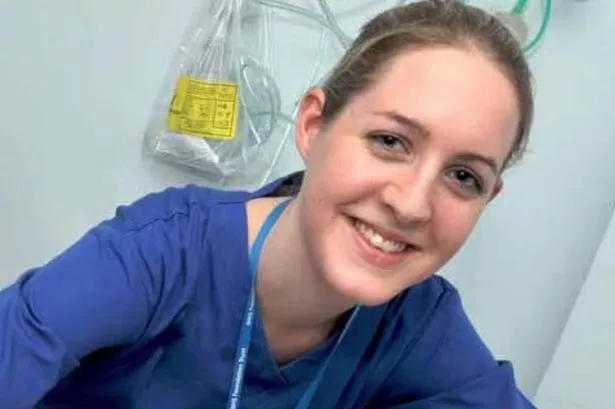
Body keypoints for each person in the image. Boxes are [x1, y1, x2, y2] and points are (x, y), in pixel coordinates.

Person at [0, 1, 538, 408]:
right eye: (390, 141)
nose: (412, 204)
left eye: (463, 176)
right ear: (312, 126)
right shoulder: (162, 256)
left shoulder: (417, 326)